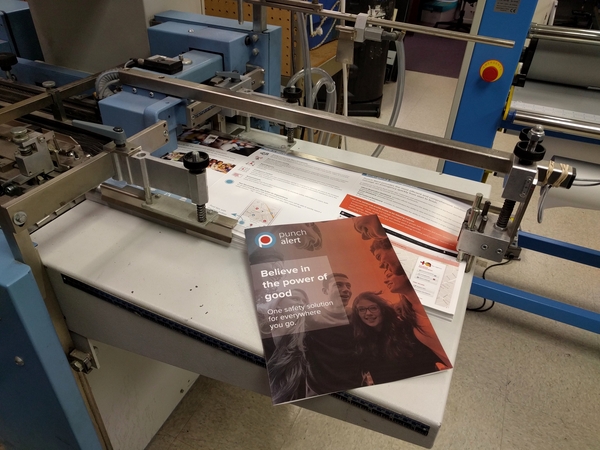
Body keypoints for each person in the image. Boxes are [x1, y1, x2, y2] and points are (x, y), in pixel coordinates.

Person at [350, 291, 445, 385]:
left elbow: (430, 359)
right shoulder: (362, 340)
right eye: (361, 309)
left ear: (383, 309)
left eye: (373, 308)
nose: (368, 313)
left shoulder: (405, 329)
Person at [303, 273, 362, 395]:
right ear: (325, 291)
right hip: (317, 389)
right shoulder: (311, 317)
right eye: (338, 285)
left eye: (348, 286)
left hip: (355, 386)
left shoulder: (357, 316)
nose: (346, 290)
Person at [263, 289, 312, 404]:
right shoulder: (262, 330)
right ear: (278, 303)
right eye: (295, 298)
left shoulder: (304, 343)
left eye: (304, 302)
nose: (301, 303)